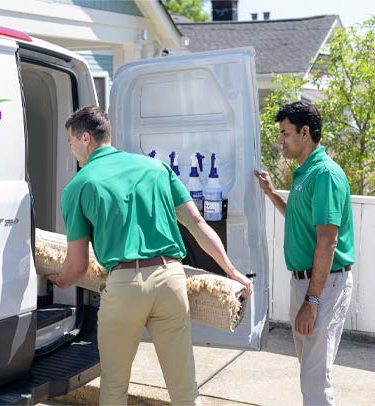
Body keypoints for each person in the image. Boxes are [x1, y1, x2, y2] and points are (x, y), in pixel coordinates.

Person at [46, 106, 252, 405]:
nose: (71, 147)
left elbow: (76, 266)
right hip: (170, 280)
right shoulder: (156, 169)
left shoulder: (79, 186)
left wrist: (59, 280)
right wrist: (232, 272)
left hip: (125, 287)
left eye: (71, 141)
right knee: (183, 388)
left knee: (115, 387)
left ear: (86, 138)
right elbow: (197, 224)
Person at [254, 101, 354, 406]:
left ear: (305, 132)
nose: (280, 140)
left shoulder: (324, 175)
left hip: (323, 287)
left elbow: (327, 241)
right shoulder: (304, 175)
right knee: (310, 373)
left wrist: (311, 301)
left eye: (285, 133)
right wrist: (272, 194)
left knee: (314, 379)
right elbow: (302, 221)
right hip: (307, 284)